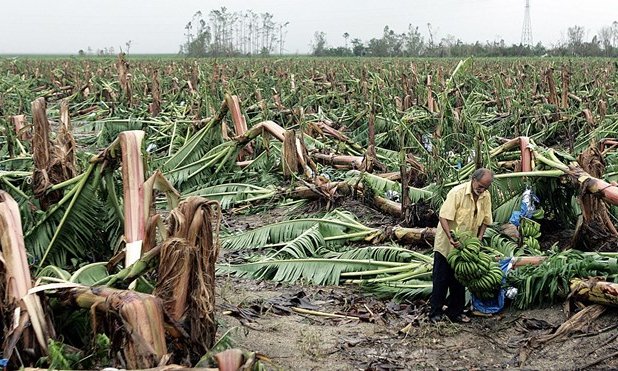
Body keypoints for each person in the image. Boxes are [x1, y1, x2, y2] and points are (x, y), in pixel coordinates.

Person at [429, 167, 494, 323]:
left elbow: (486, 220)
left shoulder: (485, 196)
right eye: (480, 186)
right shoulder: (457, 193)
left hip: (466, 247)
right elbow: (443, 216)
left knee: (459, 280)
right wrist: (451, 237)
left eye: (486, 187)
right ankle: (435, 313)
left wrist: (479, 238)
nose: (482, 189)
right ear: (473, 180)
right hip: (447, 244)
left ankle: (455, 312)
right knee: (441, 279)